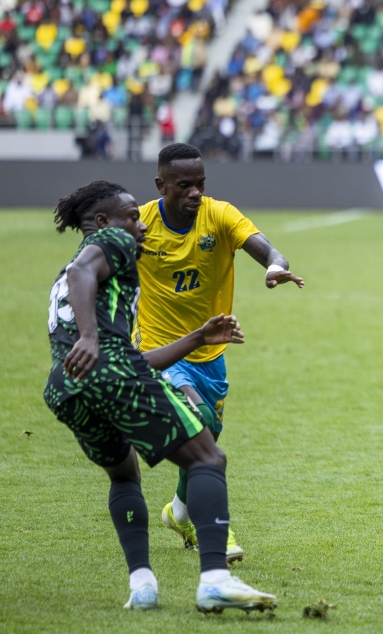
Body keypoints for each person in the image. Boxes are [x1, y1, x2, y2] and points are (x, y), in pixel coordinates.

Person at [44, 180, 277, 613]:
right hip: (107, 371)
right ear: (103, 222)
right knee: (208, 457)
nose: (141, 226)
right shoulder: (110, 243)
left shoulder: (68, 275)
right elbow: (98, 320)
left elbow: (130, 357)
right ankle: (214, 579)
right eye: (132, 217)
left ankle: (143, 585)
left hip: (67, 388)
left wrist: (197, 338)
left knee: (125, 475)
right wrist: (92, 338)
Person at [133, 143, 304, 562]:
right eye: (185, 185)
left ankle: (179, 512)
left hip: (211, 355)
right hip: (160, 352)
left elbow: (267, 249)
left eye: (201, 184)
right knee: (201, 424)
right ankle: (217, 532)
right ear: (162, 185)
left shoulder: (220, 215)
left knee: (205, 443)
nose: (196, 192)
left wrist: (273, 267)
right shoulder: (138, 223)